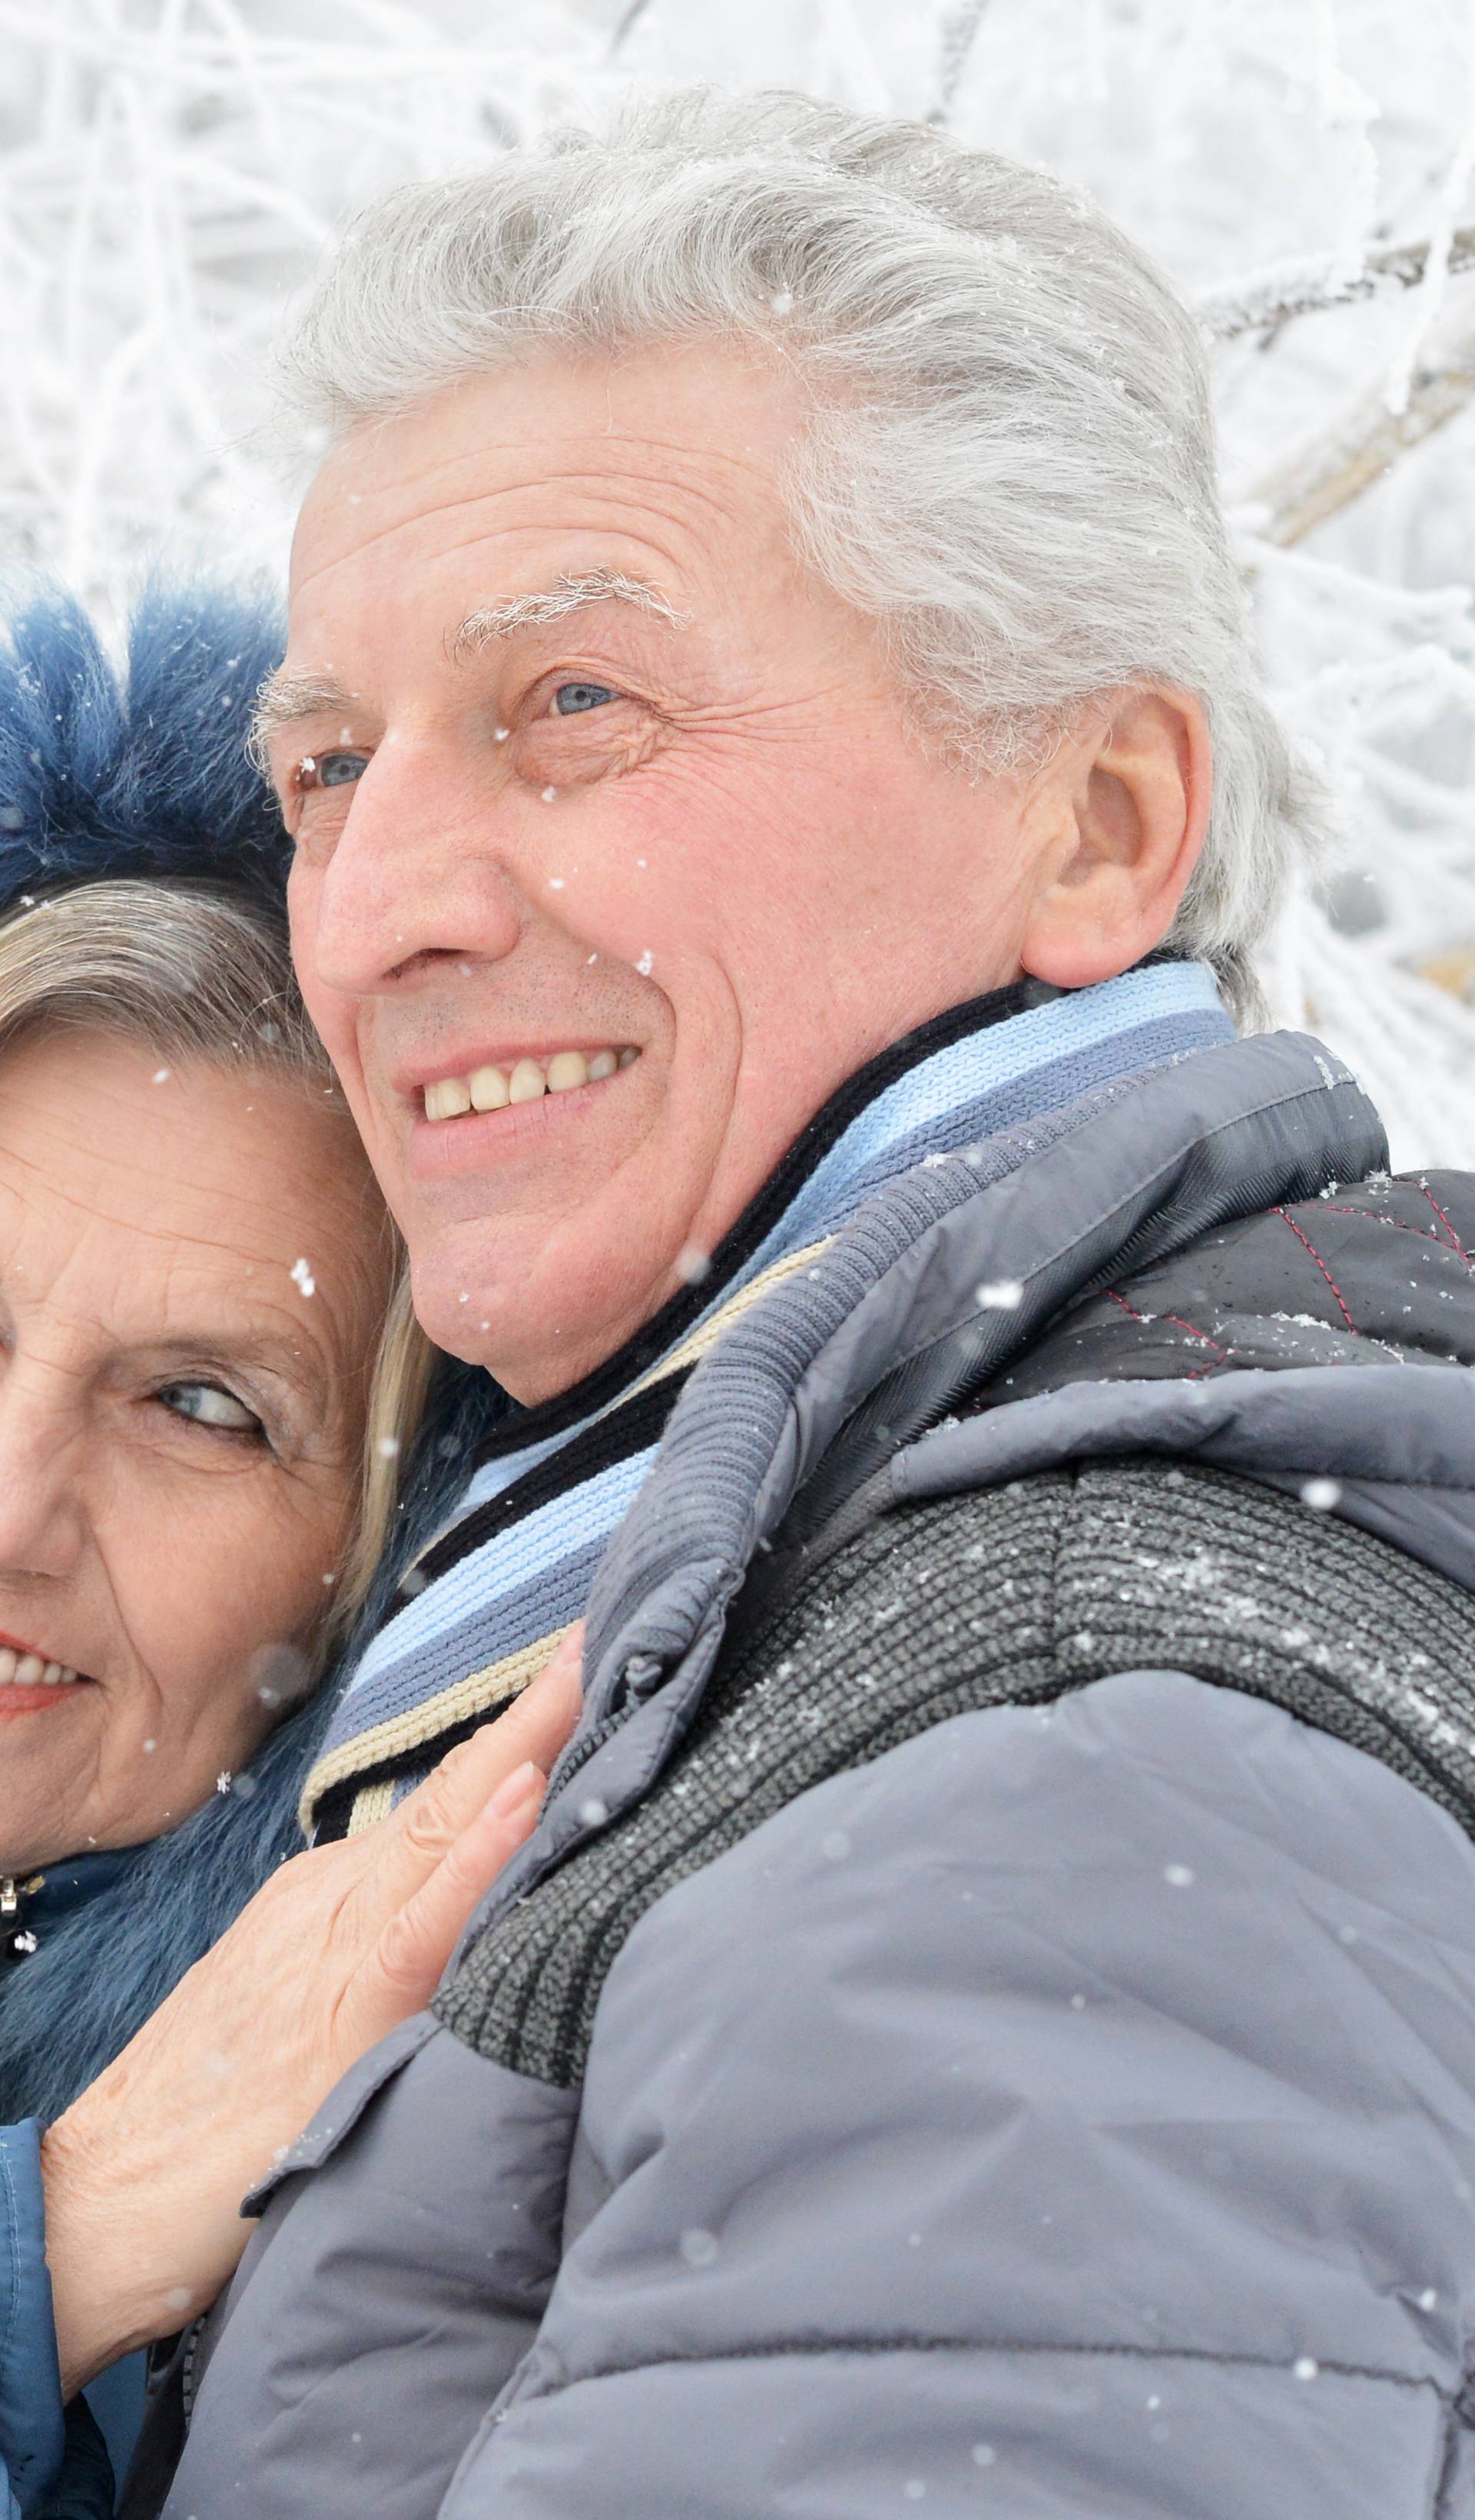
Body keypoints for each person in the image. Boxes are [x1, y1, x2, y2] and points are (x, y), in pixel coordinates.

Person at [114, 90, 1475, 2518]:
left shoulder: (1070, 1765)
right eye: (323, 763)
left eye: (574, 707)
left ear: (1099, 822)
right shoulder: (728, 1624)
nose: (372, 905)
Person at [0, 585, 580, 2520]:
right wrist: (52, 2243)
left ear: (375, 1569)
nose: (11, 1504)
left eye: (204, 1407)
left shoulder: (400, 2298)